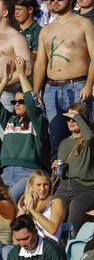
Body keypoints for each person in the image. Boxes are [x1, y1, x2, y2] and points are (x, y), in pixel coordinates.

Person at [33, 0, 94, 156]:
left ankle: (82, 175)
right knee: (55, 136)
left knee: (82, 135)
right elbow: (41, 62)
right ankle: (59, 176)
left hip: (77, 85)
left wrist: (89, 84)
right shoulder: (46, 30)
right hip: (51, 88)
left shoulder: (84, 24)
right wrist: (36, 91)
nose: (54, 1)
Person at [0, 56, 47, 202]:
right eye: (14, 102)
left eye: (21, 101)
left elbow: (32, 104)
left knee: (10, 203)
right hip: (5, 173)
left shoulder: (38, 121)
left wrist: (21, 74)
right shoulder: (9, 120)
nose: (17, 104)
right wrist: (5, 81)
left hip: (27, 174)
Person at [52, 103, 94, 231]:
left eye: (74, 118)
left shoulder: (93, 139)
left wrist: (77, 117)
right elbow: (59, 175)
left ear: (82, 119)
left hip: (84, 188)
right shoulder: (64, 142)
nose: (70, 121)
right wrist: (55, 169)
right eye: (68, 119)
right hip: (64, 186)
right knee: (54, 225)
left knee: (72, 228)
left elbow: (90, 137)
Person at [16, 170, 64, 242]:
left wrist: (33, 211)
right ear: (31, 186)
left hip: (48, 246)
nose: (42, 189)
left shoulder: (56, 202)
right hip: (30, 248)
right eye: (38, 185)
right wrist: (22, 212)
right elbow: (16, 238)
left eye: (46, 184)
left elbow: (52, 230)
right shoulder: (26, 206)